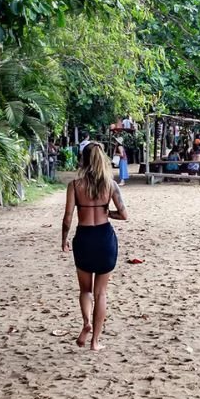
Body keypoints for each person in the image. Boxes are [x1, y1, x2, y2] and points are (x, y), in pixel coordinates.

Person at [62, 143, 128, 351]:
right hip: (104, 239)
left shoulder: (75, 185)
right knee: (101, 293)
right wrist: (108, 213)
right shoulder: (111, 185)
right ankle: (95, 341)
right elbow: (124, 215)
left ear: (84, 160)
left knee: (85, 290)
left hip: (84, 237)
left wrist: (63, 238)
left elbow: (67, 218)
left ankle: (86, 322)